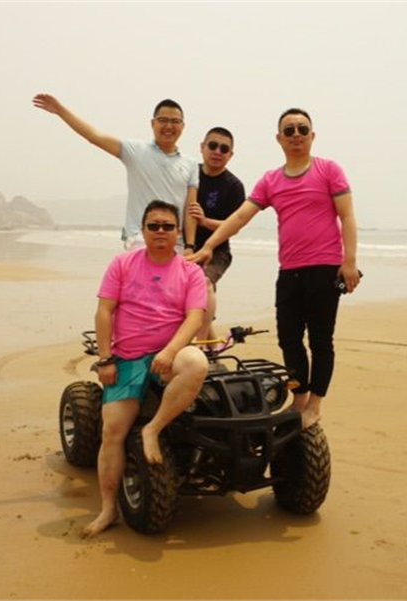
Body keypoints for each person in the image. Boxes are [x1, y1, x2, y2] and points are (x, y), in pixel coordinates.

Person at [189, 108, 360, 429]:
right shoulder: (271, 179)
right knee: (289, 340)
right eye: (289, 130)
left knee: (321, 341)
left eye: (302, 129)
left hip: (324, 269)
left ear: (312, 135)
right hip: (289, 271)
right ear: (279, 138)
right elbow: (240, 217)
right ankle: (299, 399)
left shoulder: (328, 170)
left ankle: (315, 405)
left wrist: (349, 262)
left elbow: (347, 216)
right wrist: (209, 245)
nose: (296, 135)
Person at [86, 200, 209, 537]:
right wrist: (105, 359)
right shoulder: (123, 263)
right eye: (153, 225)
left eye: (167, 226)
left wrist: (170, 351)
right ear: (143, 230)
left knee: (197, 362)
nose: (160, 231)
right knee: (112, 431)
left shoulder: (191, 272)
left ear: (177, 232)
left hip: (167, 356)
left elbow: (195, 318)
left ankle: (152, 430)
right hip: (126, 358)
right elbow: (104, 311)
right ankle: (108, 509)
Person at [32, 93, 199, 253]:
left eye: (175, 121)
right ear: (153, 123)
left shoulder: (190, 164)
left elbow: (190, 209)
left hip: (175, 242)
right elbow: (94, 136)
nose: (169, 126)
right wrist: (61, 111)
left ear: (182, 126)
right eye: (163, 120)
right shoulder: (136, 151)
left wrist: (190, 246)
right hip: (139, 240)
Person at [187, 127, 246, 343]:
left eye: (224, 149)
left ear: (230, 154)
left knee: (203, 284)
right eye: (212, 146)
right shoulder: (189, 174)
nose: (217, 151)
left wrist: (204, 221)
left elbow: (235, 225)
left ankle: (201, 347)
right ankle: (213, 352)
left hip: (217, 251)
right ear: (202, 147)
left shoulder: (234, 186)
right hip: (185, 246)